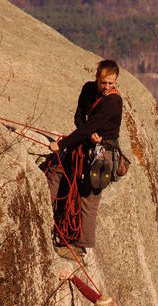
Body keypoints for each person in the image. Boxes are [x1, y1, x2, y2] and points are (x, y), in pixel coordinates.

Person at [47, 59, 122, 255]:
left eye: (111, 83)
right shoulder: (89, 89)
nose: (106, 87)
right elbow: (80, 118)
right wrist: (87, 135)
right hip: (85, 143)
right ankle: (47, 216)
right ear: (97, 77)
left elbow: (93, 124)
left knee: (89, 198)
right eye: (103, 82)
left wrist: (63, 144)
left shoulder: (114, 101)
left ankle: (79, 247)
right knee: (56, 171)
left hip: (103, 152)